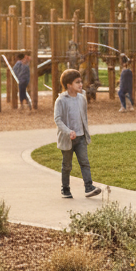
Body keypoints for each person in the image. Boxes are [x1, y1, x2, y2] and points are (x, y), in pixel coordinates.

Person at [53, 69, 103, 200]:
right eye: (77, 82)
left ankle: (88, 187)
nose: (81, 84)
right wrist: (68, 131)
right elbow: (58, 119)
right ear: (69, 85)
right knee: (67, 165)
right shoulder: (61, 100)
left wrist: (84, 132)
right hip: (67, 139)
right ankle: (65, 189)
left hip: (81, 138)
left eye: (80, 82)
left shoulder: (82, 98)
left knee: (85, 162)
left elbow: (84, 117)